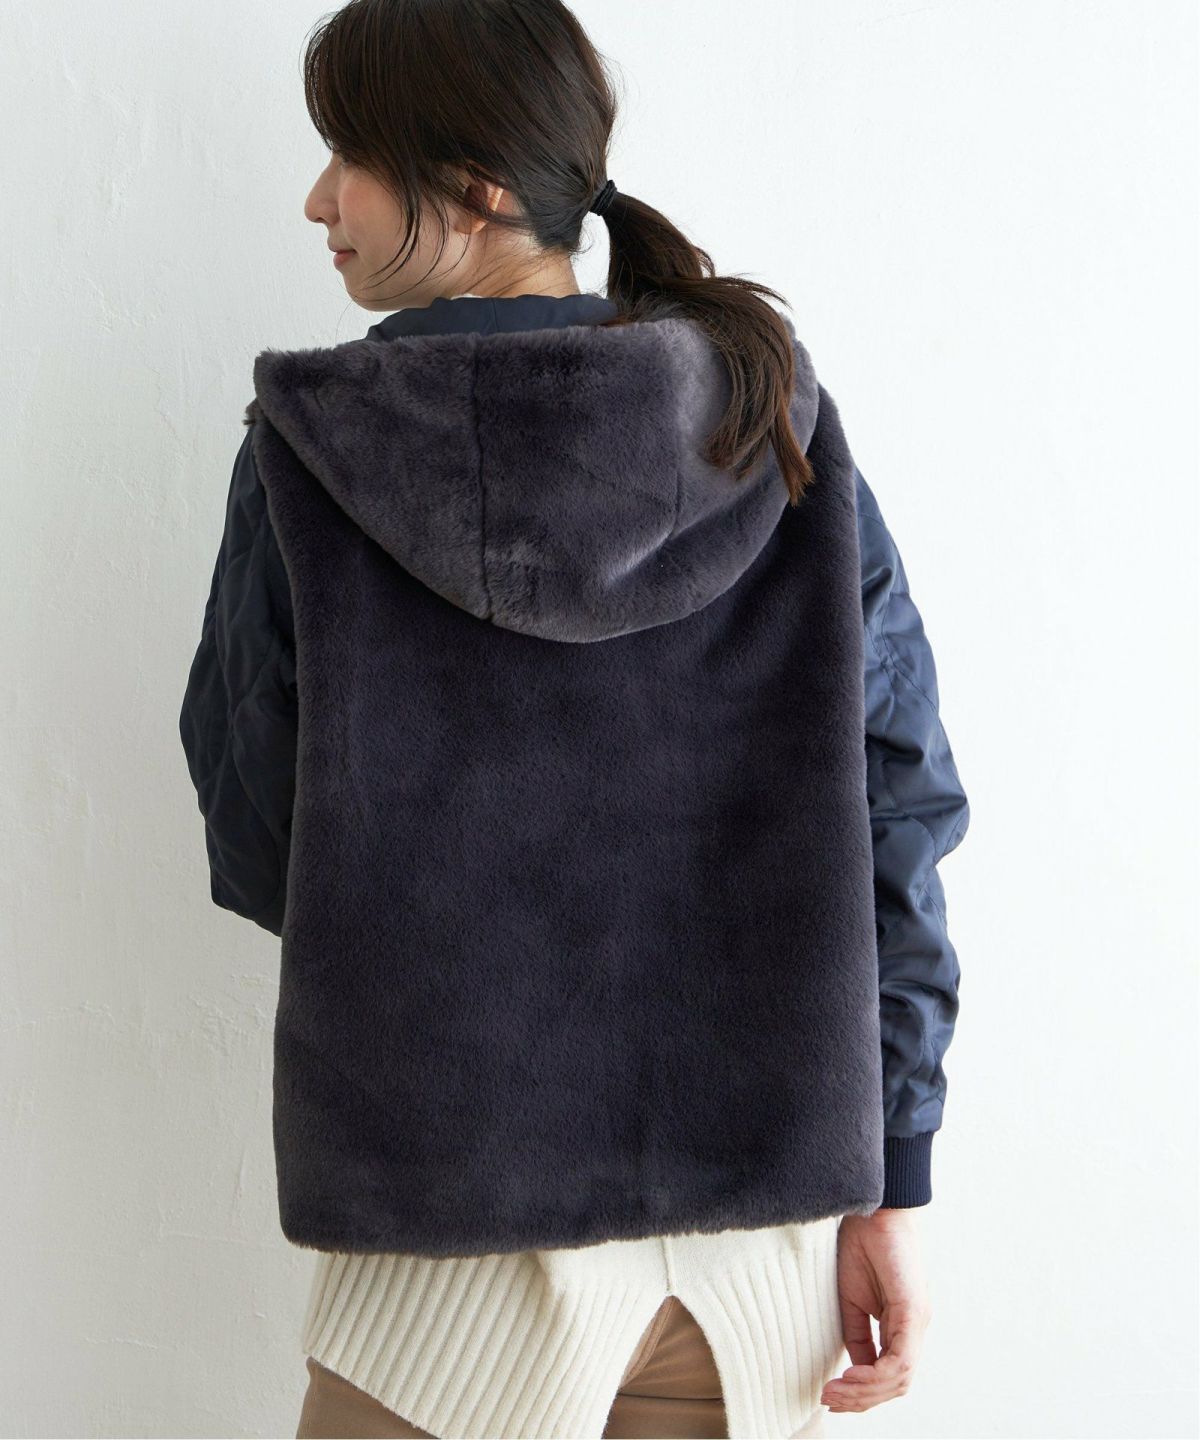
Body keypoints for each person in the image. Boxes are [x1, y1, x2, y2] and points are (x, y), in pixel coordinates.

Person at [176, 2, 971, 1436]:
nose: (317, 200)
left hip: (446, 1257)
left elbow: (259, 831)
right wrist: (897, 1175)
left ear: (476, 187)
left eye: (350, 156)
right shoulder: (772, 415)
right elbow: (898, 802)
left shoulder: (310, 453)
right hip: (755, 1266)